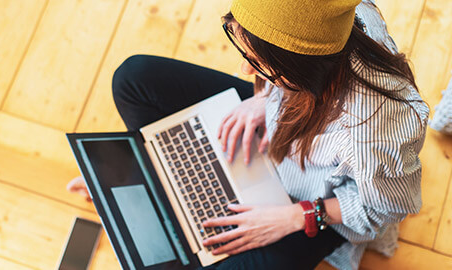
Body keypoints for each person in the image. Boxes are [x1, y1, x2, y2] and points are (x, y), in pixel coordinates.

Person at [68, 0, 429, 269]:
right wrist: (264, 97)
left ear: (301, 69)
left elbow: (388, 206)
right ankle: (154, 176)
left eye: (258, 64)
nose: (244, 68)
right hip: (278, 125)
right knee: (134, 78)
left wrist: (295, 217)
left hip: (307, 203)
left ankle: (156, 192)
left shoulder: (378, 132)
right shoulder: (335, 17)